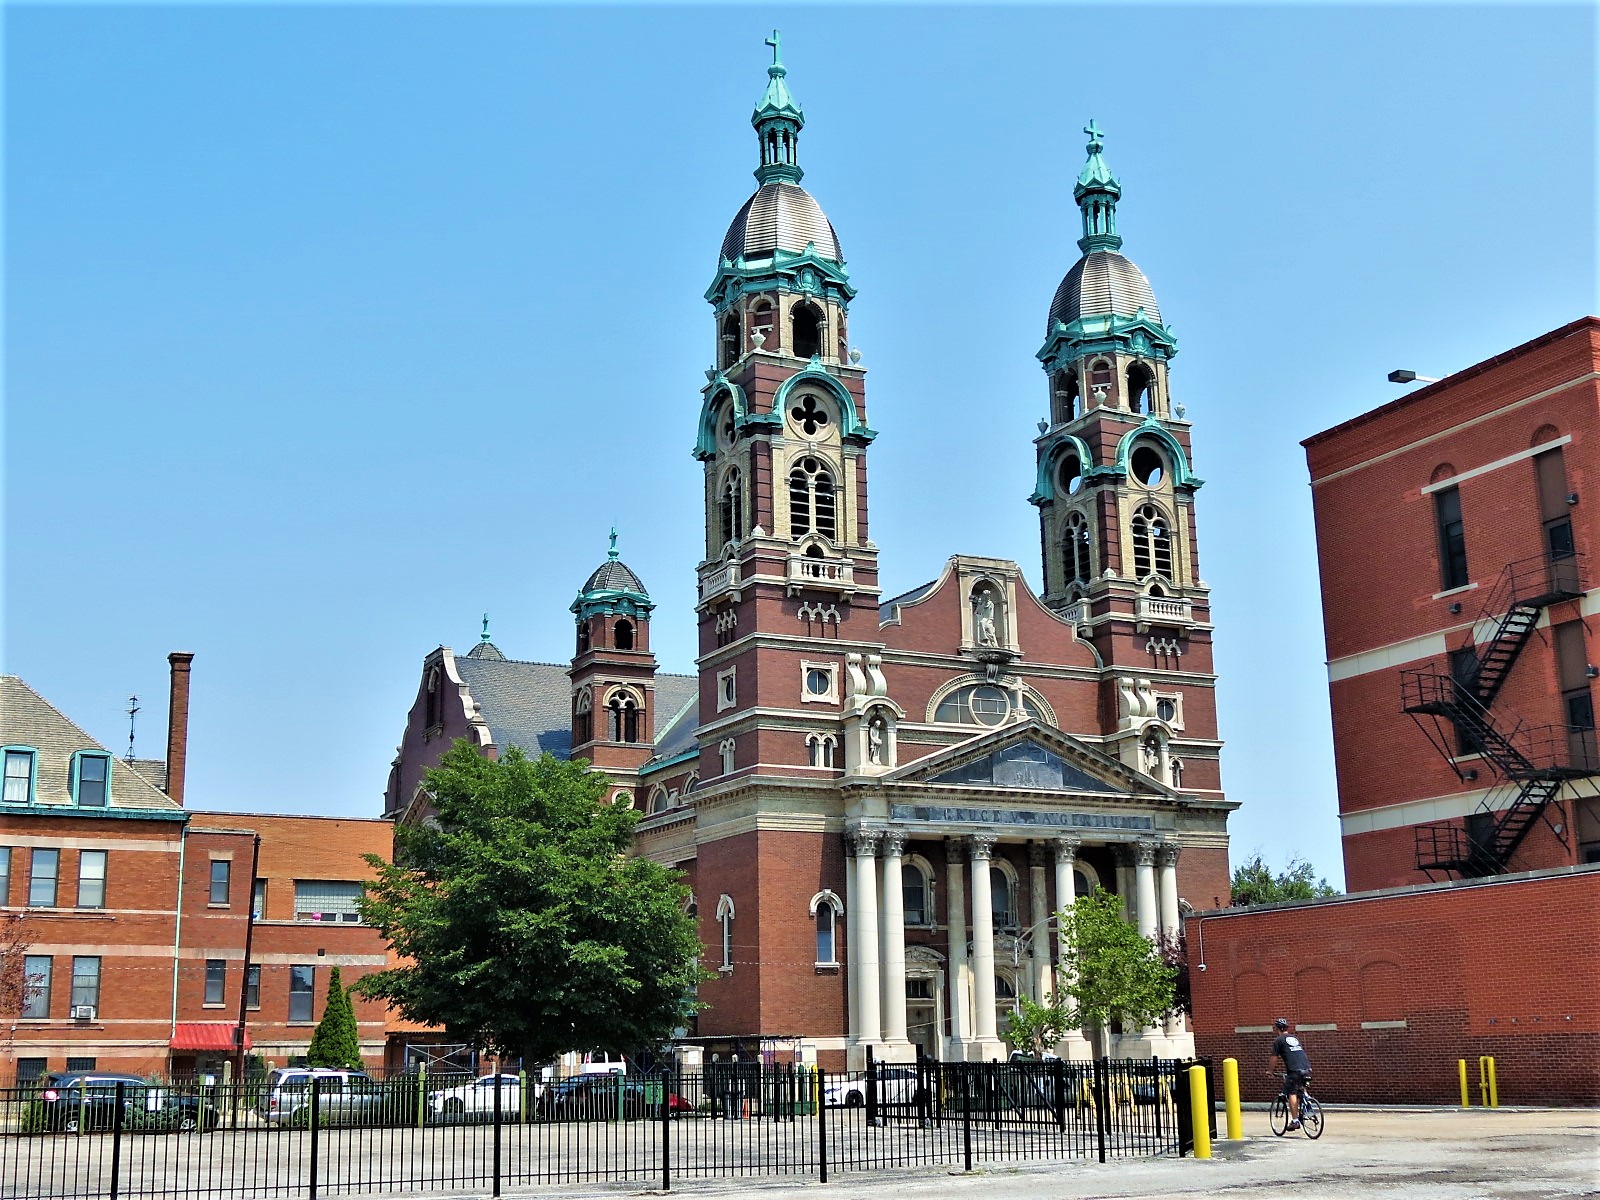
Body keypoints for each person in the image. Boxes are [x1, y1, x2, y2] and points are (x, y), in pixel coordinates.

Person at [1270, 1017, 1312, 1130]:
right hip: (1307, 1068)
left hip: (1294, 1070)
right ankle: (1307, 1101)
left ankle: (1295, 1121)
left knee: (1291, 1093)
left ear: (1277, 1029)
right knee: (1300, 1088)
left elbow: (1274, 1058)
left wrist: (1270, 1071)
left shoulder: (1278, 1040)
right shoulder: (1295, 1038)